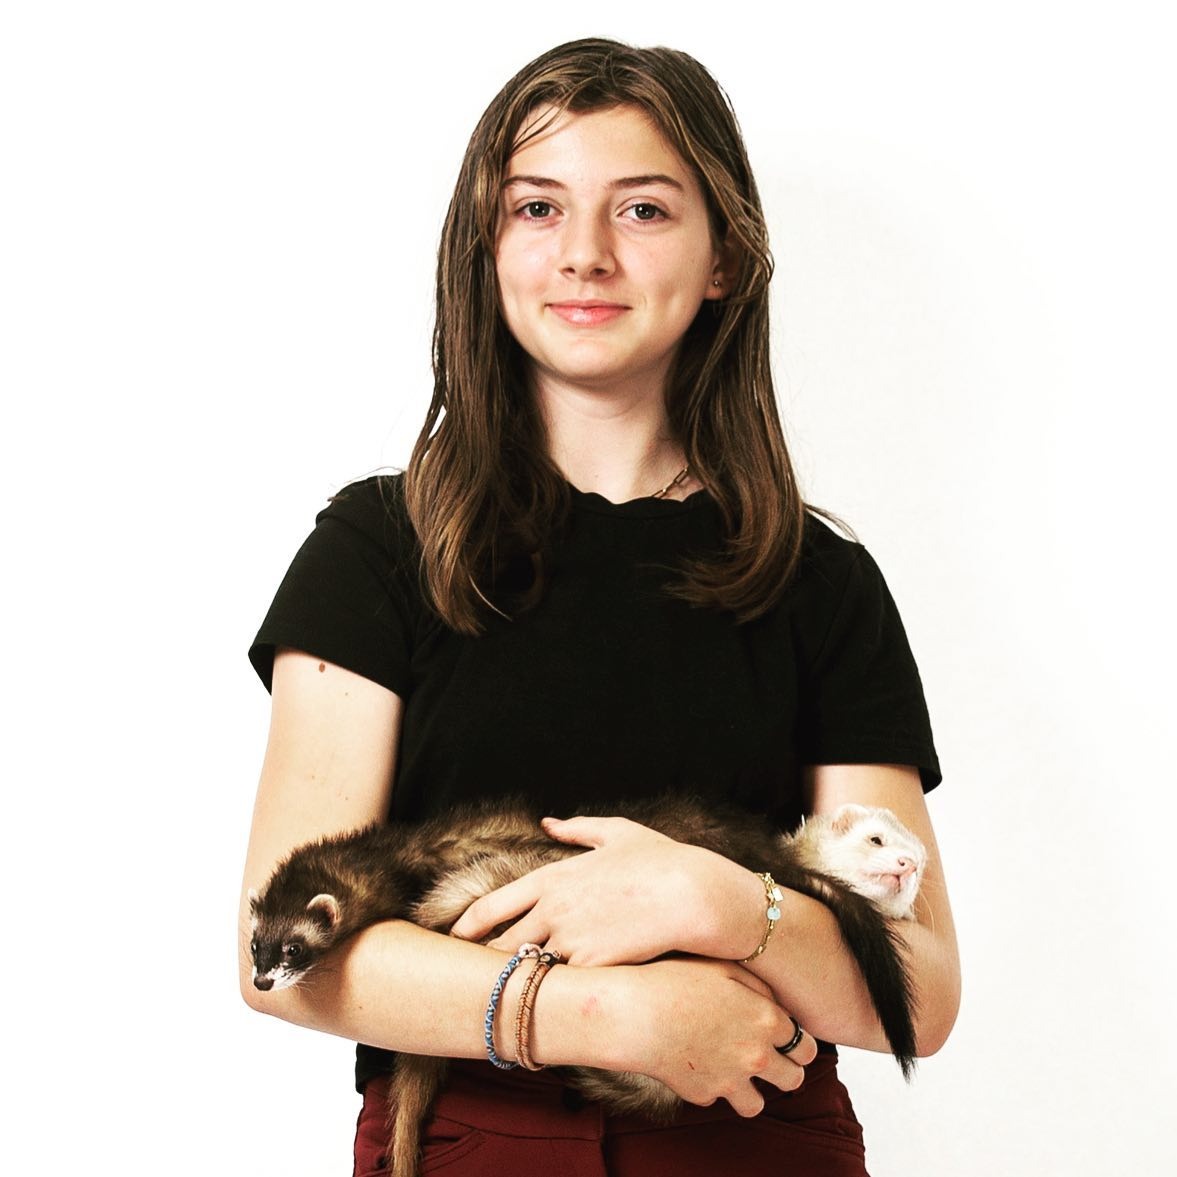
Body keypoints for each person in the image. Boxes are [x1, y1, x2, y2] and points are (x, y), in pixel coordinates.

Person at [239, 37, 960, 1176]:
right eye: (537, 207)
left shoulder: (818, 581)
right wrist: (600, 1015)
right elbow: (282, 961)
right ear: (485, 251)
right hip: (467, 1140)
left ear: (724, 259)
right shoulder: (376, 549)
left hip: (755, 1138)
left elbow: (917, 992)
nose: (584, 253)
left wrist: (721, 905)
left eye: (642, 210)